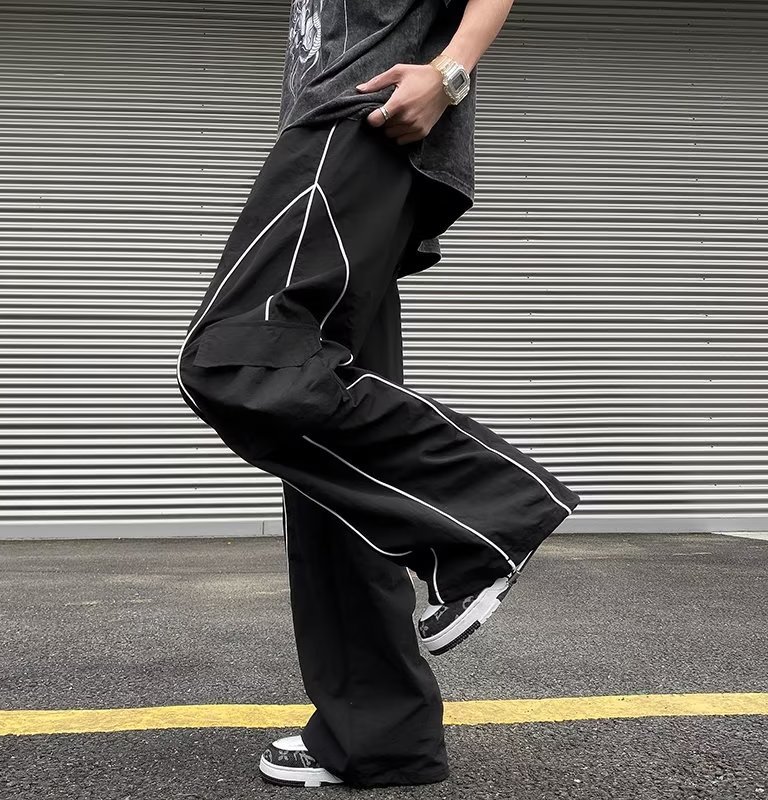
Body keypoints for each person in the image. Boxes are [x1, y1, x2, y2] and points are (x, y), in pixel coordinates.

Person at [175, 0, 581, 789]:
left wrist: (450, 73)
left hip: (358, 123)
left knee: (237, 359)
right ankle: (381, 734)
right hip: (352, 132)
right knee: (329, 461)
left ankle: (489, 513)